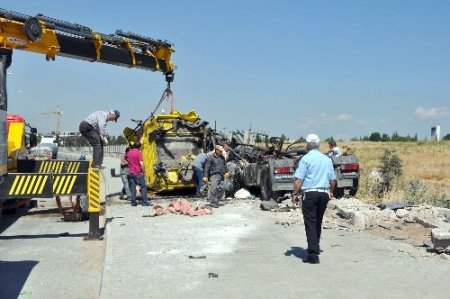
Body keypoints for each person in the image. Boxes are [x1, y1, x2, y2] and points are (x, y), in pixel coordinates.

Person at [292, 133, 336, 264]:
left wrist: (294, 194)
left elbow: (298, 179)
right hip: (323, 194)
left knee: (310, 222)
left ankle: (313, 254)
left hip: (310, 194)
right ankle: (315, 246)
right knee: (318, 221)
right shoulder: (327, 159)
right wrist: (331, 192)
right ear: (318, 145)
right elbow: (333, 180)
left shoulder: (305, 159)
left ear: (307, 145)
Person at [125, 142, 151, 207]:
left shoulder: (129, 152)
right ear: (139, 147)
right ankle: (145, 202)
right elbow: (141, 163)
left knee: (133, 188)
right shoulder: (138, 153)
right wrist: (144, 171)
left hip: (131, 173)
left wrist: (129, 163)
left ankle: (133, 202)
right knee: (143, 187)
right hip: (138, 173)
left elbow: (125, 157)